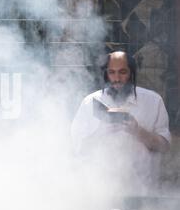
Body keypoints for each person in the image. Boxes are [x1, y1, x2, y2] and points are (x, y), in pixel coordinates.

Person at [71, 51, 171, 195]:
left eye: (122, 72)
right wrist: (99, 133)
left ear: (132, 73)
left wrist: (138, 132)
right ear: (106, 74)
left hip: (142, 192)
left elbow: (164, 147)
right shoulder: (89, 103)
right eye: (111, 72)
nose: (116, 78)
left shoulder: (153, 101)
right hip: (99, 193)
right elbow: (78, 149)